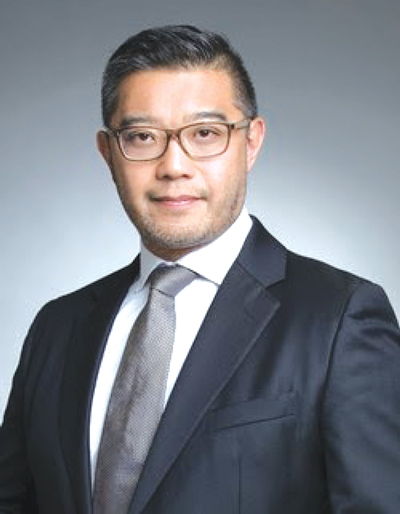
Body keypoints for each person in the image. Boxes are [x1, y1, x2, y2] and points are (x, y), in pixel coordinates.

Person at [0, 24, 399, 514]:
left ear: (251, 142)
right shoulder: (57, 328)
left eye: (205, 134)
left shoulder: (338, 319)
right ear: (108, 153)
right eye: (142, 137)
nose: (174, 166)